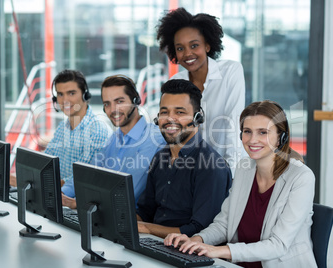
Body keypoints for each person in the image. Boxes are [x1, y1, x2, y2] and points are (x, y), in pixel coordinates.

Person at [164, 100, 317, 268]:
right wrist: (195, 240)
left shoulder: (301, 177)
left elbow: (278, 245)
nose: (253, 140)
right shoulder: (245, 168)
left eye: (262, 132)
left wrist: (219, 251)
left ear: (282, 137)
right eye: (247, 131)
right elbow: (224, 224)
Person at [136, 79, 232, 239]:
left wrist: (147, 228)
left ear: (197, 117)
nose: (170, 119)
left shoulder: (211, 166)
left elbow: (199, 229)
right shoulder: (160, 157)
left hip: (189, 252)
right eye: (164, 112)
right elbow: (145, 212)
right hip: (153, 243)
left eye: (180, 112)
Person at [156, 7, 245, 174]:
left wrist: (230, 175)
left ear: (208, 45)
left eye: (194, 45)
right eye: (180, 48)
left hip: (222, 168)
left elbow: (233, 125)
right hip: (187, 170)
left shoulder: (231, 72)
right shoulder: (175, 82)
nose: (187, 53)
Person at [62, 75, 166, 209]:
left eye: (119, 101)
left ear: (136, 100)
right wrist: (62, 194)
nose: (112, 110)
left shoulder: (153, 139)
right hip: (101, 214)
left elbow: (127, 193)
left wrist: (80, 203)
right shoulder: (114, 139)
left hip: (131, 221)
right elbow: (88, 175)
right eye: (107, 104)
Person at [43, 69, 110, 208]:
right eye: (60, 94)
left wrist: (46, 184)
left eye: (71, 93)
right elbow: (46, 162)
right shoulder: (63, 127)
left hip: (79, 205)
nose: (65, 100)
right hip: (57, 199)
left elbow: (81, 178)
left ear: (85, 95)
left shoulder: (97, 131)